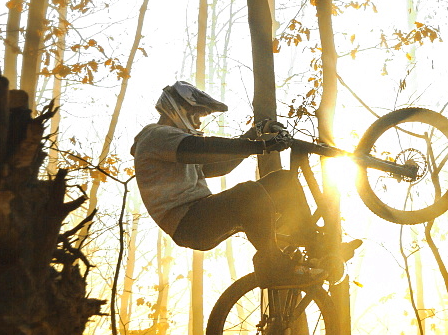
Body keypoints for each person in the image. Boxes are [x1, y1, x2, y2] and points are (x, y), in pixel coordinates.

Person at [131, 81, 359, 288]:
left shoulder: (174, 146)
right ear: (180, 110)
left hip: (201, 214)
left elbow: (221, 165)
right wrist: (259, 145)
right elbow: (206, 148)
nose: (199, 121)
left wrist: (254, 135)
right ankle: (272, 265)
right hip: (188, 223)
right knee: (248, 192)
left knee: (284, 180)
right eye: (197, 114)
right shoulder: (156, 136)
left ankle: (317, 250)